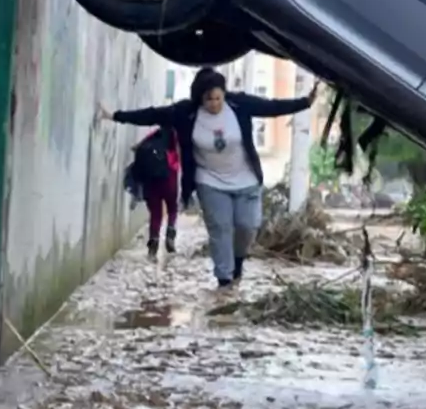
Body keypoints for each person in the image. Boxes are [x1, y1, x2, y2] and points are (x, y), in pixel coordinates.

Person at [99, 67, 318, 288]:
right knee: (220, 229)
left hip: (246, 179)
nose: (214, 104)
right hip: (210, 180)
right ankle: (224, 282)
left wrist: (304, 102)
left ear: (224, 94)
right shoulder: (186, 113)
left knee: (248, 226)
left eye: (217, 98)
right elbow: (153, 114)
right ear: (199, 98)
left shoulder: (239, 105)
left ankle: (238, 261)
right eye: (208, 99)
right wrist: (116, 116)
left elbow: (271, 106)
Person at [132, 126, 181, 259]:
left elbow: (137, 148)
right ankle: (170, 233)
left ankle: (153, 242)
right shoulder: (176, 135)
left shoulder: (154, 135)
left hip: (151, 180)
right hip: (169, 177)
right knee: (172, 207)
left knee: (155, 213)